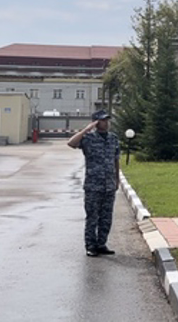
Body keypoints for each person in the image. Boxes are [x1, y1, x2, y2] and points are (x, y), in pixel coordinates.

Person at [67, 109, 121, 257]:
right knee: (92, 217)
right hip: (93, 186)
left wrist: (117, 180)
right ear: (96, 122)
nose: (106, 123)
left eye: (107, 120)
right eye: (103, 120)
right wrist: (86, 129)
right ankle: (91, 246)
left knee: (106, 217)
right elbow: (71, 143)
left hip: (109, 185)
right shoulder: (88, 139)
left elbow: (116, 160)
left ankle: (101, 244)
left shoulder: (113, 138)